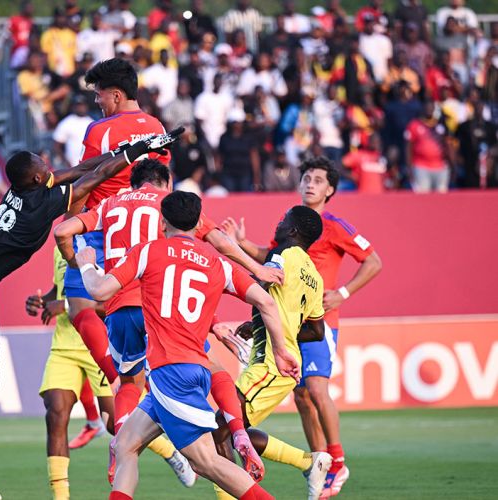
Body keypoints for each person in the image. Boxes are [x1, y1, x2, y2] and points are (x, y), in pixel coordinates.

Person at [0, 129, 183, 500]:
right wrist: (138, 149)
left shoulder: (19, 191)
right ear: (35, 178)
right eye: (43, 167)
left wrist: (123, 150)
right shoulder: (42, 204)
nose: (49, 168)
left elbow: (79, 169)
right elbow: (95, 176)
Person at [55, 159, 284, 483]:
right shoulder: (170, 206)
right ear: (167, 182)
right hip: (162, 304)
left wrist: (77, 263)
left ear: (133, 184)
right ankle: (238, 431)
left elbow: (62, 231)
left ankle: (120, 439)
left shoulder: (110, 203)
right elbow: (217, 243)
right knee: (211, 366)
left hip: (118, 303)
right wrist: (258, 270)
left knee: (129, 382)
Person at [222, 157, 383, 497]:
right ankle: (315, 460)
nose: (310, 183)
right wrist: (243, 243)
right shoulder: (296, 248)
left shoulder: (332, 226)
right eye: (306, 177)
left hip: (309, 328)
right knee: (301, 396)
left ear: (331, 190)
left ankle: (335, 460)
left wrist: (342, 293)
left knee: (315, 390)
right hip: (296, 326)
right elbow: (270, 261)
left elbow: (374, 261)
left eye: (318, 180)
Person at [61, 57, 168, 404]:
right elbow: (160, 183)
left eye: (99, 94)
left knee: (80, 305)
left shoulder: (100, 130)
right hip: (145, 231)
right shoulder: (155, 125)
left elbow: (85, 180)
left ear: (117, 95)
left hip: (104, 226)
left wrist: (72, 222)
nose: (97, 101)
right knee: (137, 312)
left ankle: (119, 382)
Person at [211, 205, 332, 500]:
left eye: (283, 220)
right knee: (233, 430)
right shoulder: (315, 277)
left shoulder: (282, 254)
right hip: (282, 363)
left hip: (271, 364)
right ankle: (309, 462)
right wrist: (259, 326)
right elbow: (316, 330)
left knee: (218, 430)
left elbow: (262, 282)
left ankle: (304, 464)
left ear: (293, 230)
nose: (278, 224)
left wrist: (216, 280)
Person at [25, 247, 114, 499]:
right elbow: (59, 289)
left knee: (115, 423)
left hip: (99, 345)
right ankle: (61, 497)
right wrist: (42, 302)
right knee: (55, 412)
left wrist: (64, 306)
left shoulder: (104, 242)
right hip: (64, 345)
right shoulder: (60, 248)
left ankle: (170, 452)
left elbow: (112, 301)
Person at [52, 96, 94, 169]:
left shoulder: (92, 122)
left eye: (82, 105)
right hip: (71, 166)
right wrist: (65, 161)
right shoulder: (67, 122)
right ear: (73, 107)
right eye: (78, 105)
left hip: (89, 166)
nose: (81, 108)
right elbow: (57, 145)